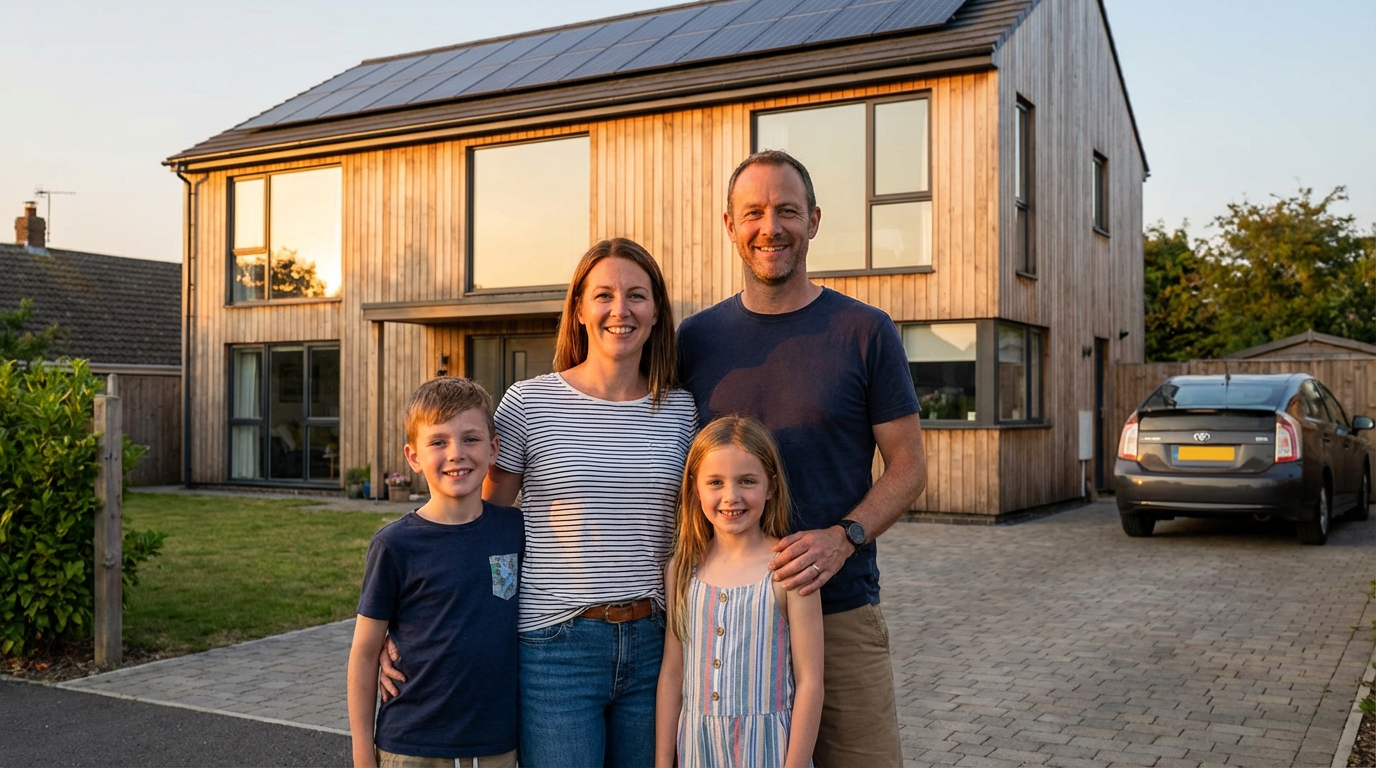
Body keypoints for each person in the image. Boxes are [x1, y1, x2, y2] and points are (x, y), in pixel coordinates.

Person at [382, 238, 697, 767]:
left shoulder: (682, 410)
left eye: (637, 296)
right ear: (578, 309)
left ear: (658, 311)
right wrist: (401, 628)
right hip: (557, 649)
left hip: (655, 645)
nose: (620, 310)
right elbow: (477, 529)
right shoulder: (530, 403)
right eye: (603, 295)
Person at [677, 150, 928, 767]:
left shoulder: (865, 330)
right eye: (754, 212)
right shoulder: (694, 340)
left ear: (813, 220)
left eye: (787, 211)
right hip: (727, 619)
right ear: (729, 225)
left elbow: (909, 467)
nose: (771, 227)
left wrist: (844, 537)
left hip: (838, 609)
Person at [347, 377, 523, 768]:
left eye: (471, 439)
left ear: (494, 448)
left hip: (497, 743)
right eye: (438, 442)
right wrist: (362, 752)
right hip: (413, 744)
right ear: (413, 457)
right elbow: (364, 652)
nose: (456, 453)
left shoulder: (514, 530)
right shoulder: (395, 545)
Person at [654, 415, 823, 768]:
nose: (731, 497)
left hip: (770, 752)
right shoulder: (681, 570)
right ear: (695, 487)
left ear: (771, 486)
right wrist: (662, 761)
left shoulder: (789, 568)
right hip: (698, 751)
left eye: (747, 481)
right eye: (715, 482)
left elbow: (810, 681)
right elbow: (672, 673)